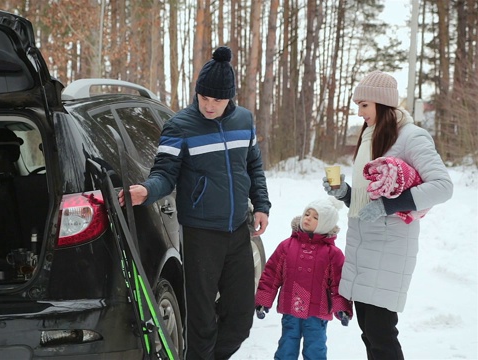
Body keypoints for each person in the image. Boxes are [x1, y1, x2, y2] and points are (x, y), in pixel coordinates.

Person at [119, 46, 271, 359]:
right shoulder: (180, 126)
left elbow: (253, 165)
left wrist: (261, 205)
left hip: (238, 230)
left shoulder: (244, 121)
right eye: (204, 97)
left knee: (241, 320)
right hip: (202, 234)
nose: (209, 105)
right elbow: (164, 173)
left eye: (217, 99)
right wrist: (146, 191)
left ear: (230, 97)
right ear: (196, 92)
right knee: (201, 324)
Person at [322, 70, 453, 359]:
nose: (359, 112)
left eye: (364, 105)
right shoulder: (371, 135)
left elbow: (443, 186)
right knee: (369, 332)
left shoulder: (411, 136)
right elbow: (369, 196)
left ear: (382, 103)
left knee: (382, 336)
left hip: (390, 248)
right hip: (362, 248)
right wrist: (345, 193)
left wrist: (390, 206)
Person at [255, 198, 353, 360]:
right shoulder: (287, 246)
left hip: (317, 312)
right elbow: (271, 275)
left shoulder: (332, 254)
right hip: (290, 309)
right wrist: (263, 300)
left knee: (315, 348)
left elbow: (338, 283)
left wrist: (342, 307)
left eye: (316, 217)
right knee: (287, 345)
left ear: (326, 224)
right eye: (307, 214)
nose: (308, 218)